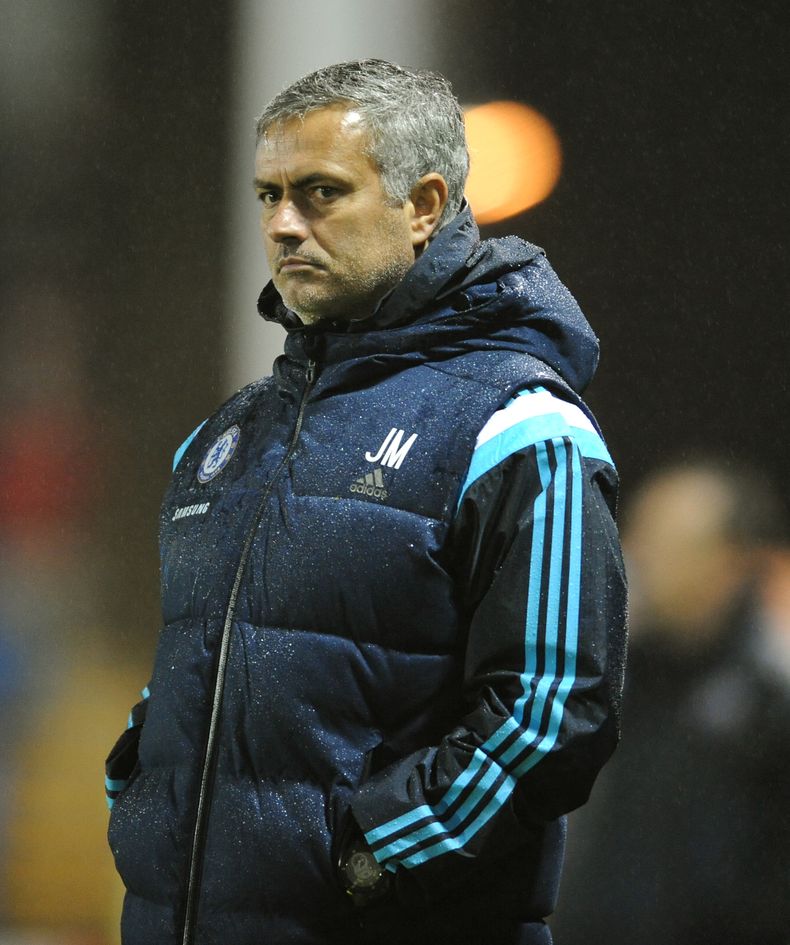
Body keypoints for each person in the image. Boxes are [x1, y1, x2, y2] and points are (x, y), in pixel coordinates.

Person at [105, 59, 627, 945]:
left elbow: (552, 708)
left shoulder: (518, 427)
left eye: (319, 193)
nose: (282, 224)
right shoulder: (225, 439)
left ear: (424, 205)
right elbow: (193, 669)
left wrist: (377, 856)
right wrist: (137, 790)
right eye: (268, 194)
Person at [552, 458, 790, 945]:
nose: (635, 557)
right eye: (635, 534)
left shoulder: (770, 709)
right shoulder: (607, 684)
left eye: (667, 546)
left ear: (729, 563)